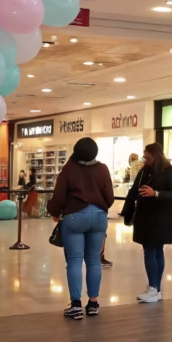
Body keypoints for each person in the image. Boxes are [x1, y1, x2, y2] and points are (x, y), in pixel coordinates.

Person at [47, 137, 114, 320]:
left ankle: (76, 305)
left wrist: (54, 212)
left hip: (75, 216)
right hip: (99, 217)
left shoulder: (69, 169)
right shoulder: (102, 169)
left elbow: (59, 196)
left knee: (75, 261)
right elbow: (109, 198)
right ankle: (93, 303)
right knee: (94, 260)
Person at [122, 142, 172, 304]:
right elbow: (134, 190)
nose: (144, 158)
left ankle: (154, 288)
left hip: (160, 218)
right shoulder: (144, 171)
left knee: (152, 250)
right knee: (153, 250)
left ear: (154, 155)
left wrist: (155, 193)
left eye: (146, 155)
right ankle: (155, 288)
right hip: (144, 217)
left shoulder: (170, 171)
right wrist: (126, 211)